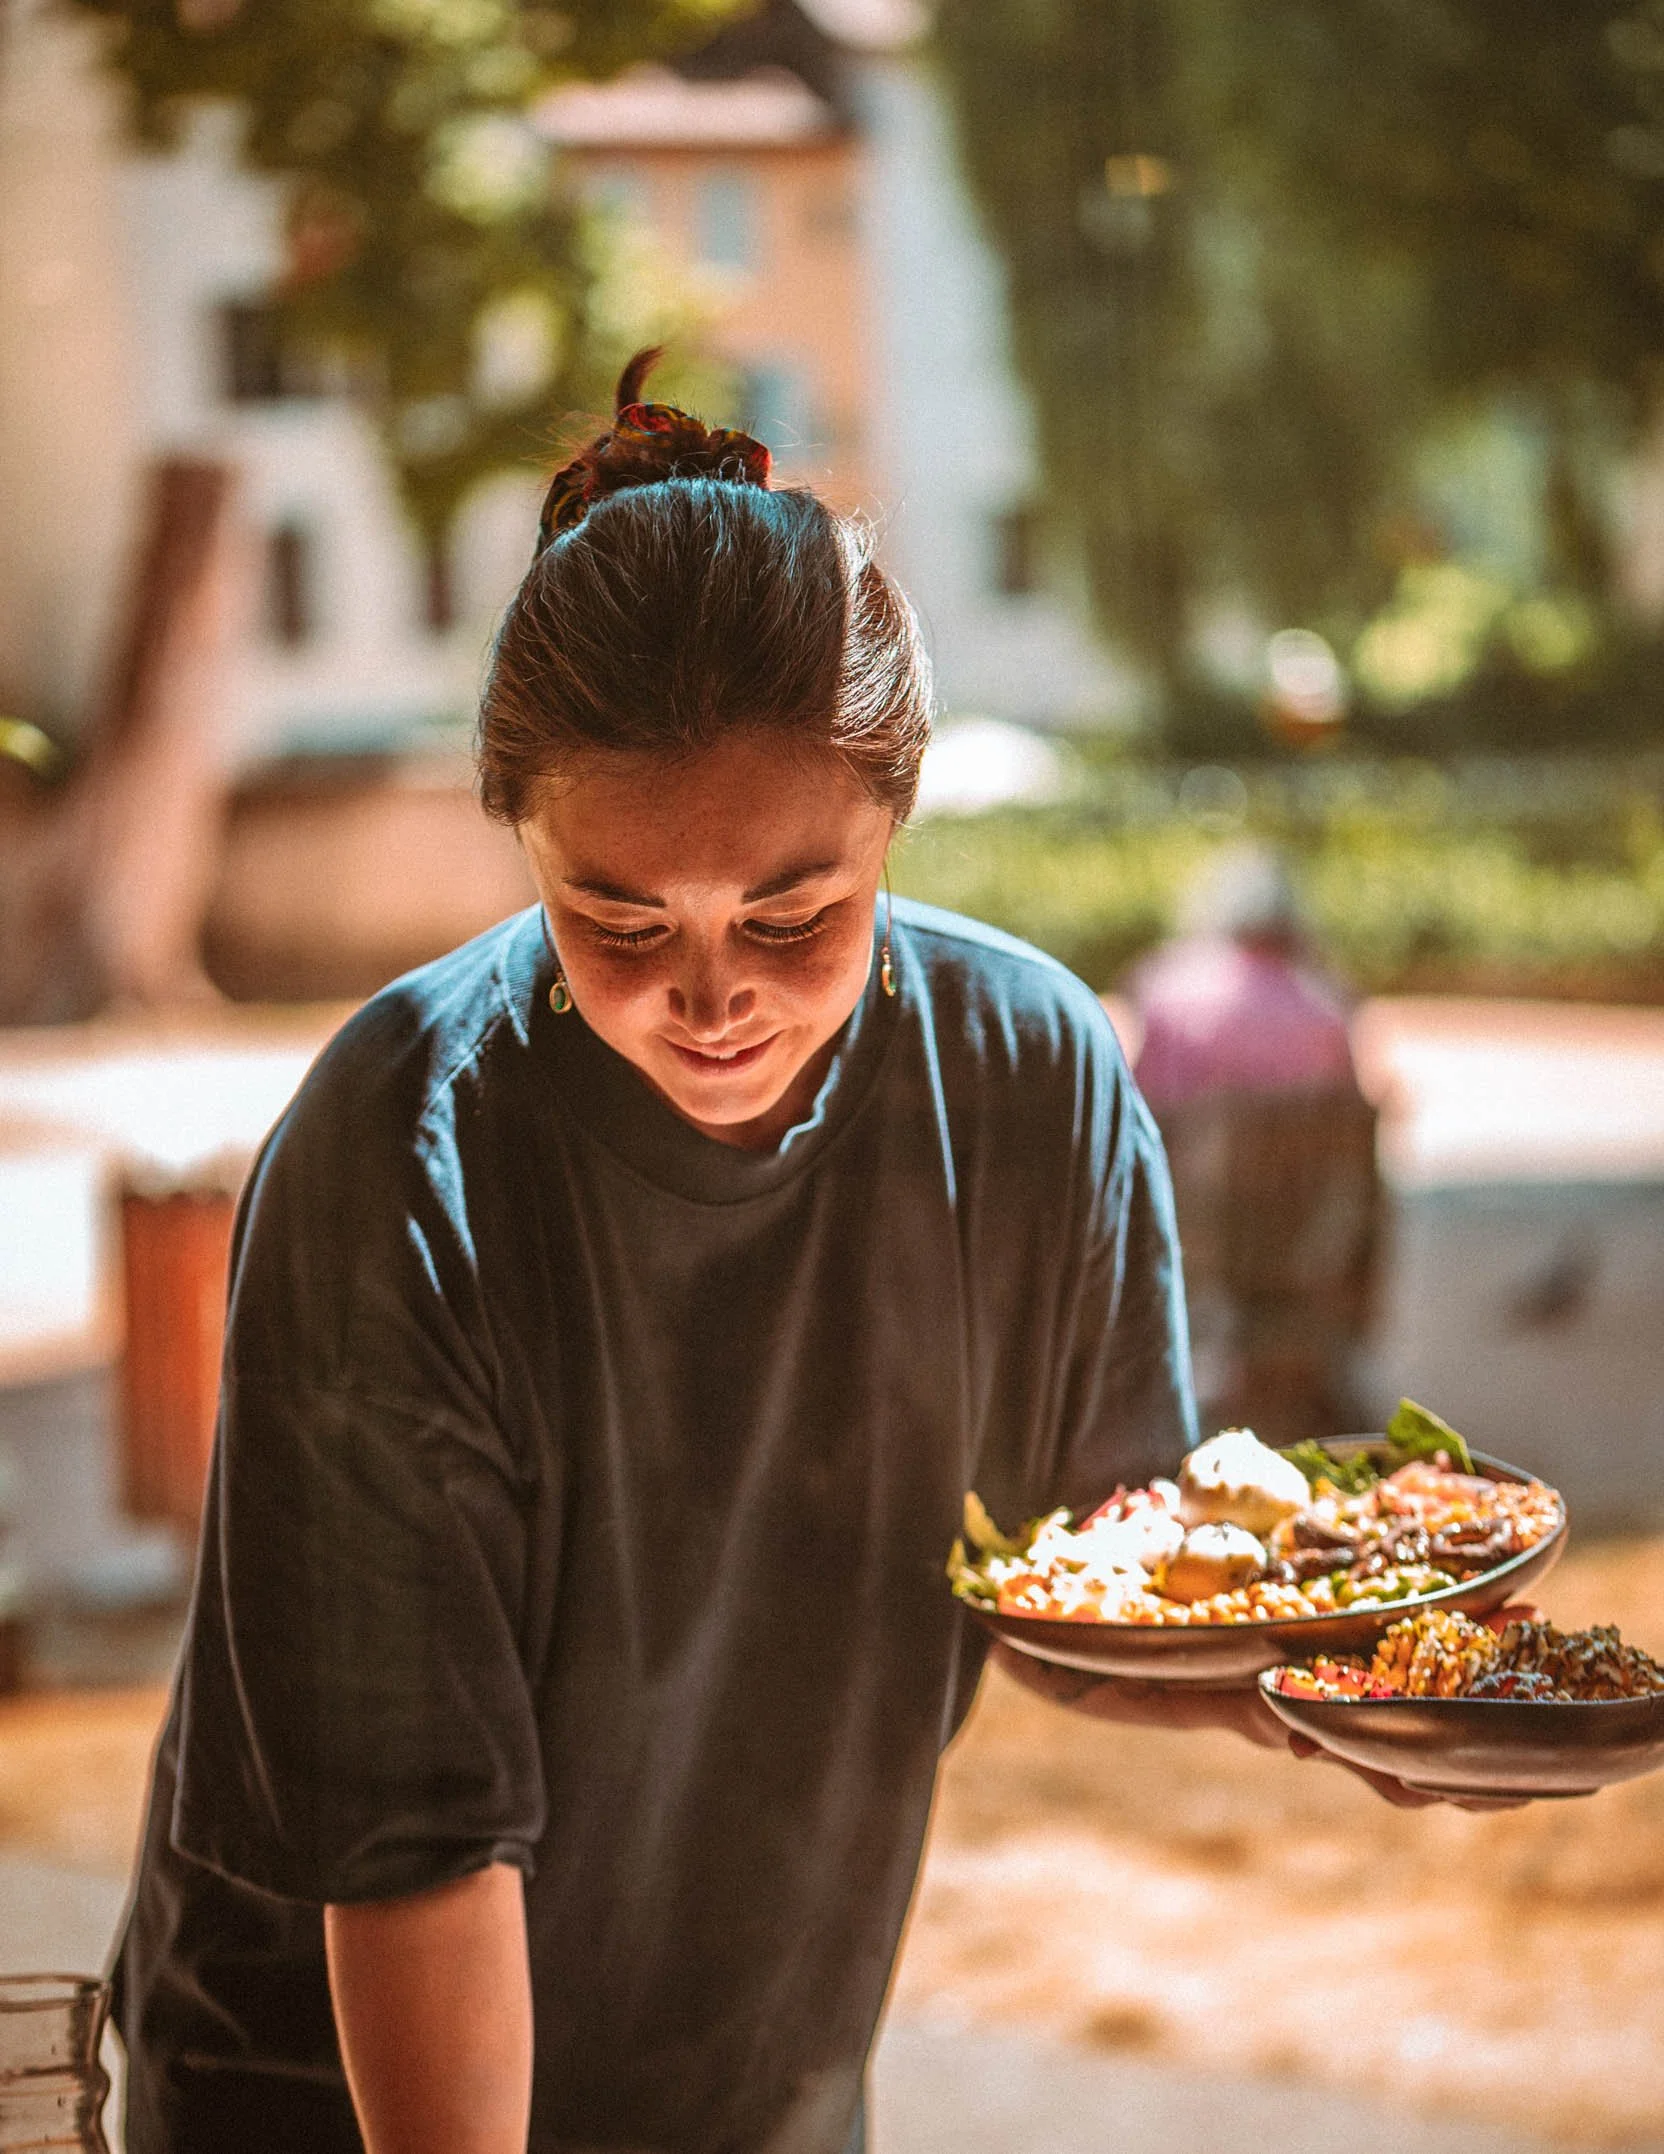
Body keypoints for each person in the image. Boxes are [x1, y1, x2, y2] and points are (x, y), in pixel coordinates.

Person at [113, 357, 1447, 2154]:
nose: (711, 984)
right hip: (340, 2090)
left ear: (892, 811)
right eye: (614, 915)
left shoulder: (1028, 1074)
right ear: (521, 835)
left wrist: (1353, 1671)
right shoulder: (396, 1149)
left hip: (752, 2077)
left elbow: (1085, 1577)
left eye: (792, 908)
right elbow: (412, 1845)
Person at [1128, 846, 1356, 1113]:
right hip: (1304, 1153)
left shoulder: (1170, 999)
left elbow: (1142, 1099)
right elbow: (1349, 1102)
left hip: (1193, 1152)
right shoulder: (1327, 1009)